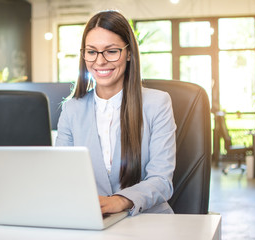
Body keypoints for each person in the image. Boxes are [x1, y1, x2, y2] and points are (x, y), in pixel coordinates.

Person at [56, 10, 176, 216]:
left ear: (129, 53)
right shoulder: (71, 109)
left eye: (111, 51)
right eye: (91, 51)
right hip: (90, 219)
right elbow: (61, 174)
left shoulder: (157, 104)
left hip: (148, 220)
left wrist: (120, 201)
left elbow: (162, 180)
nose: (100, 61)